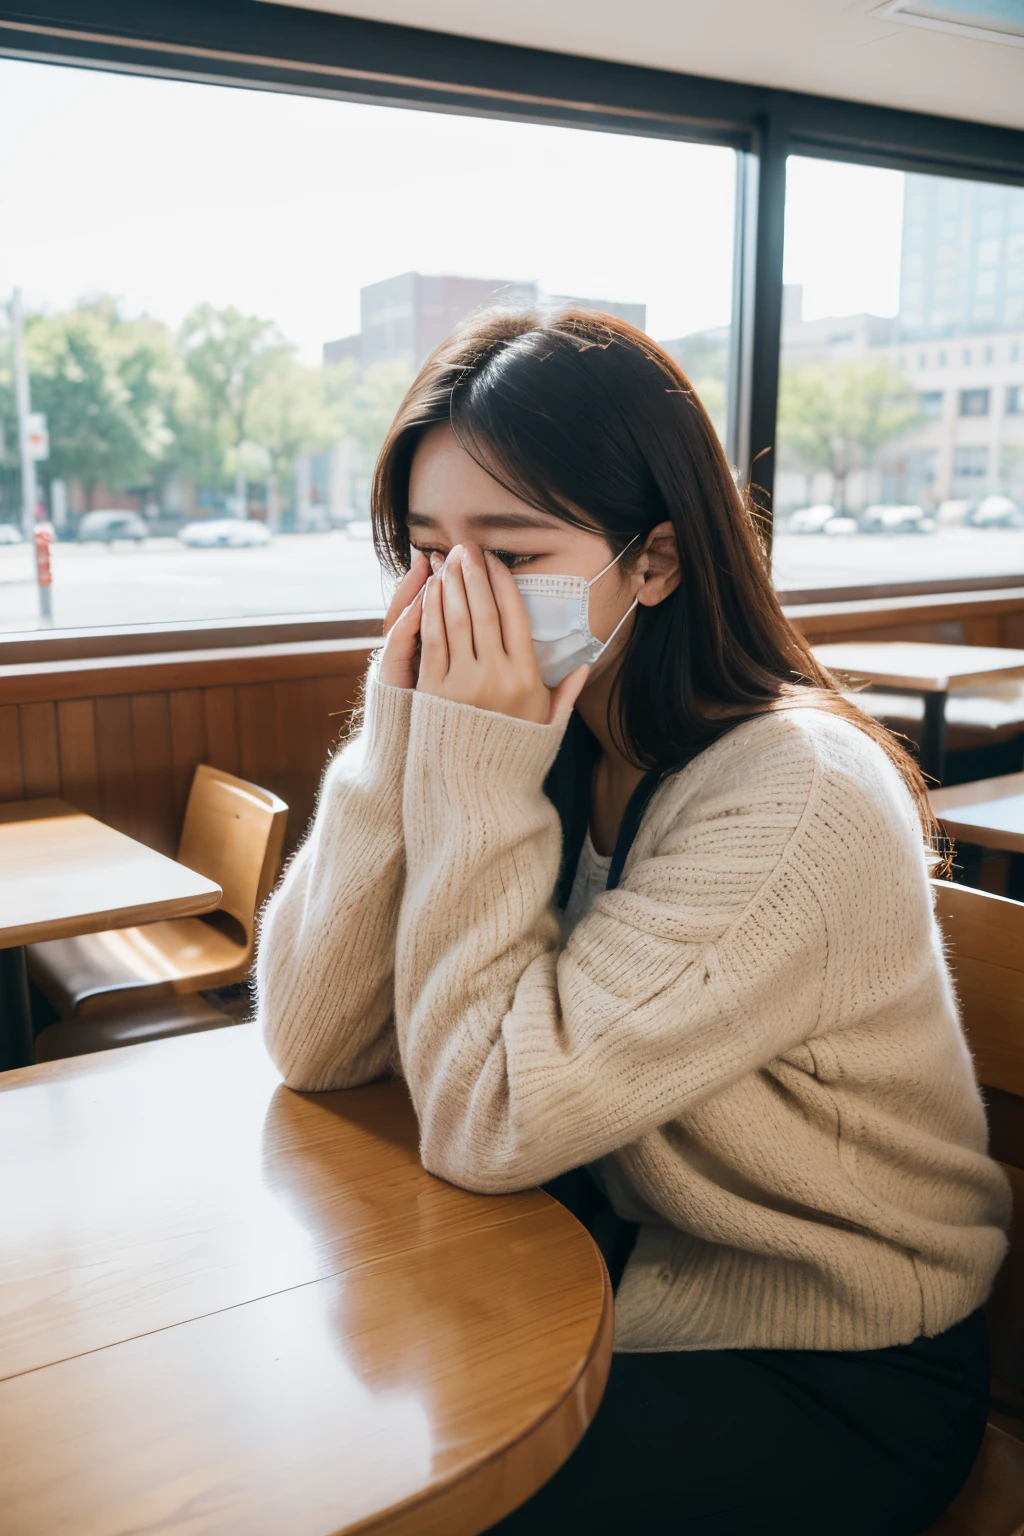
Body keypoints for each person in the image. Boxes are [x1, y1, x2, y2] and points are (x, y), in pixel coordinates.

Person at [257, 308, 1009, 1535]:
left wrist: (470, 760)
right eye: (427, 555)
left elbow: (489, 1122)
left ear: (653, 563)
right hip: (614, 1270)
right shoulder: (541, 736)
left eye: (509, 556)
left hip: (827, 1355)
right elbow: (313, 1039)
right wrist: (402, 735)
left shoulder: (794, 793)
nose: (457, 603)